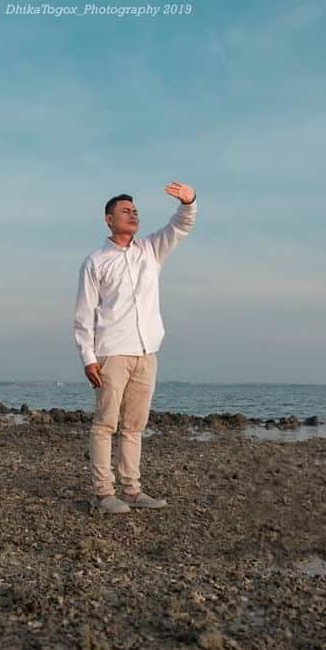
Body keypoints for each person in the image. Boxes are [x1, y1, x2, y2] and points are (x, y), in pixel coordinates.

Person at [73, 181, 197, 513]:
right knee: (105, 424)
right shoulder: (96, 261)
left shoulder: (150, 250)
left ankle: (131, 490)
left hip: (147, 352)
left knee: (134, 426)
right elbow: (84, 313)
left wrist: (188, 202)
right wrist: (88, 357)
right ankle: (103, 493)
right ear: (108, 219)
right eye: (125, 211)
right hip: (111, 352)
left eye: (135, 211)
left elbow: (180, 226)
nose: (133, 215)